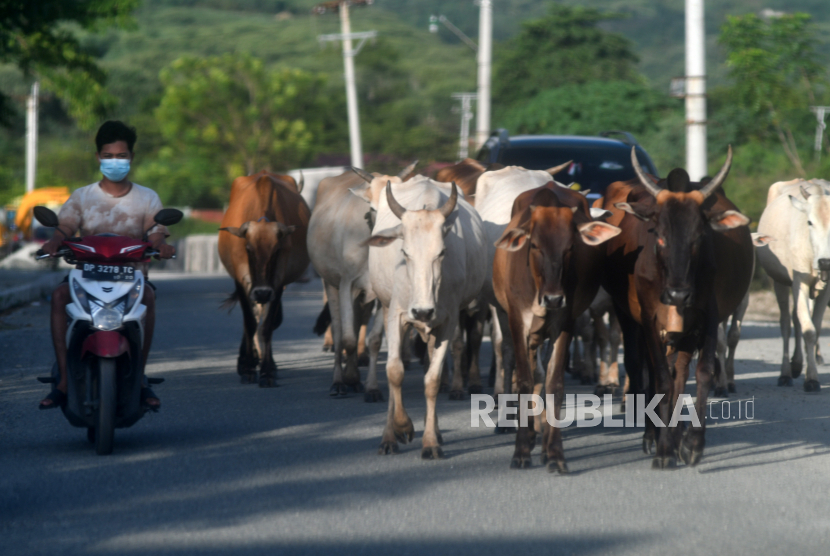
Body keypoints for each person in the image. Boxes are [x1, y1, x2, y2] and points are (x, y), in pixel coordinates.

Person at [38, 121, 176, 410]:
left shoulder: (147, 197)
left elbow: (155, 229)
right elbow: (64, 226)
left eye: (121, 156)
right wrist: (54, 241)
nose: (115, 161)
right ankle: (64, 380)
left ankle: (139, 377)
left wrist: (159, 243)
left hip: (132, 276)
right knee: (60, 296)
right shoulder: (82, 196)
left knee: (149, 296)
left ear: (131, 158)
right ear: (98, 157)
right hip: (86, 275)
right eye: (108, 155)